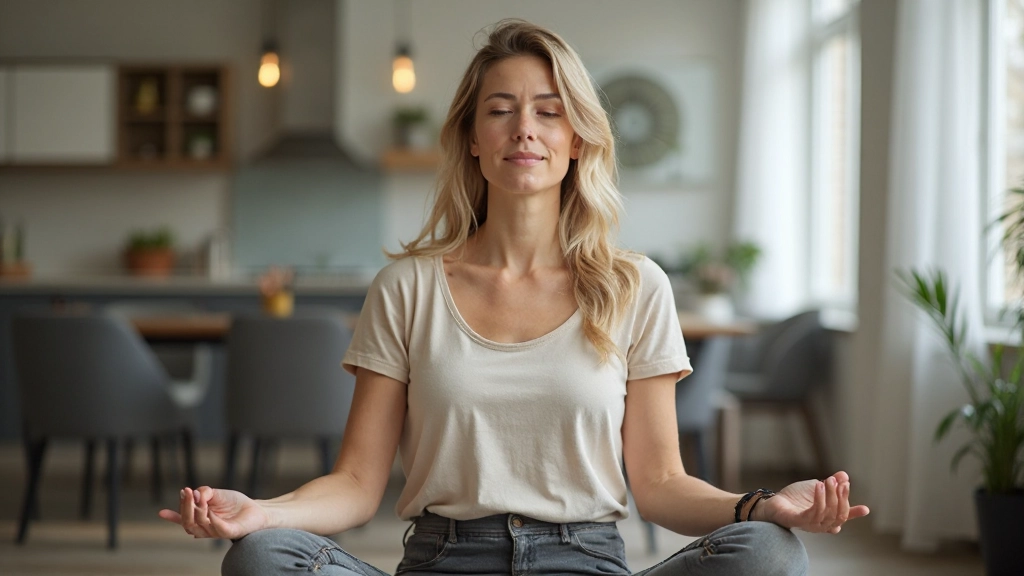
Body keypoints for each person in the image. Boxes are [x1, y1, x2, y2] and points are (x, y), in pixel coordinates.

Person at [159, 19, 869, 575]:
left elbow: (657, 483)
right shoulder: (407, 288)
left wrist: (762, 505)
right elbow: (355, 482)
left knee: (771, 552)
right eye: (501, 110)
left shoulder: (634, 287)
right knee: (260, 558)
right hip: (443, 560)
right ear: (473, 137)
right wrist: (261, 513)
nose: (524, 127)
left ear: (578, 140)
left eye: (549, 111)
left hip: (586, 561)